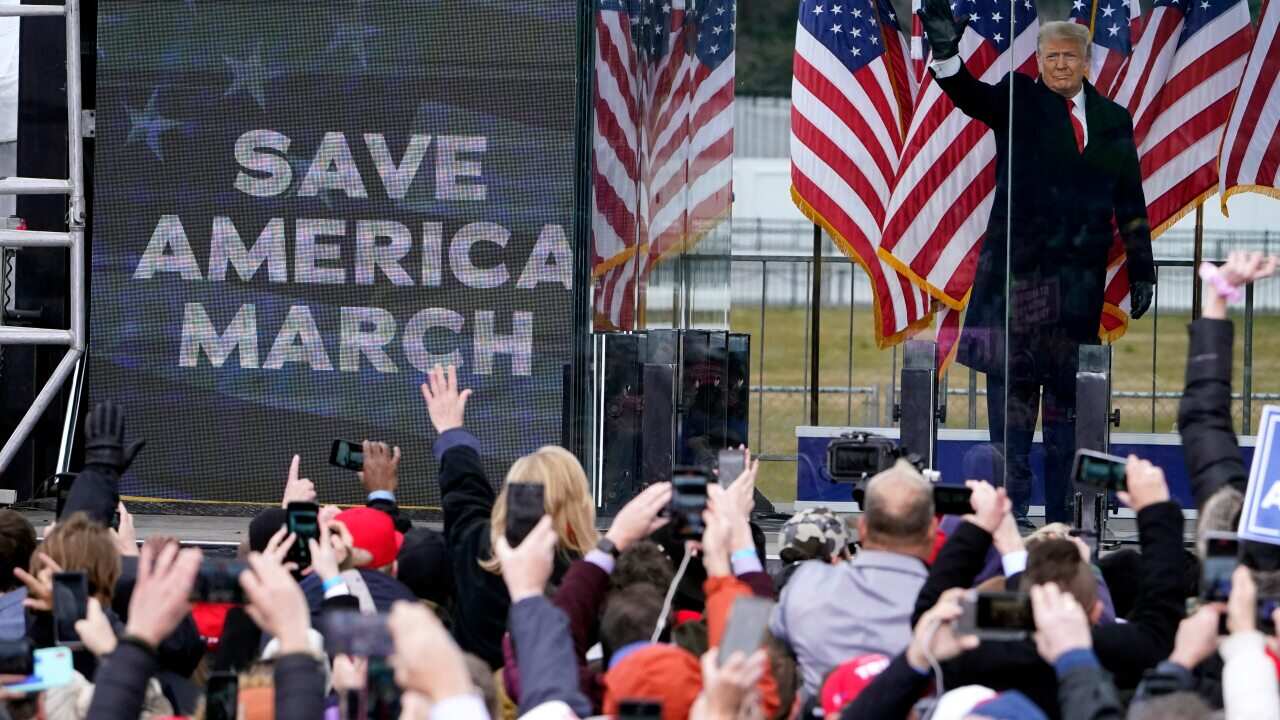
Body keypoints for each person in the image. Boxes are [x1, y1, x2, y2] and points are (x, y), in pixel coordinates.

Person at [918, 0, 1156, 526]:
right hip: (1015, 292)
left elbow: (1131, 205)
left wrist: (1143, 269)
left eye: (1069, 57)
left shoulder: (1115, 121)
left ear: (1086, 62)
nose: (1059, 65)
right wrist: (944, 54)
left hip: (1076, 299)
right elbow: (968, 96)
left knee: (1069, 418)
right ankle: (1010, 517)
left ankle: (1067, 518)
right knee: (1013, 416)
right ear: (1039, 60)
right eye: (1050, 56)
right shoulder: (1017, 100)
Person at [420, 364, 599, 668]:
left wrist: (451, 431)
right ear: (579, 504)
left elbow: (464, 494)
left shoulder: (476, 550)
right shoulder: (588, 579)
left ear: (507, 495)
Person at [770, 460, 935, 699]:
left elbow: (750, 654)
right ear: (931, 532)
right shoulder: (950, 610)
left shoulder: (805, 585)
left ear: (864, 529)